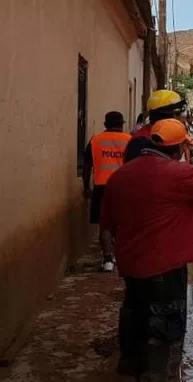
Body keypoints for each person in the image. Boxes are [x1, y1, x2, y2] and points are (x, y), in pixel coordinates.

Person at [102, 119, 193, 379]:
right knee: (164, 329)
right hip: (165, 268)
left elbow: (110, 222)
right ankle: (158, 375)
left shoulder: (121, 175)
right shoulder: (175, 174)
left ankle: (131, 366)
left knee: (134, 314)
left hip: (132, 265)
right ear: (179, 148)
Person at [83, 111, 131, 272]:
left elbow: (87, 166)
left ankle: (107, 260)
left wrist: (86, 187)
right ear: (122, 124)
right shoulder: (129, 141)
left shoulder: (95, 141)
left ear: (105, 124)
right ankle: (121, 255)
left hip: (101, 187)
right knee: (122, 223)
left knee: (104, 225)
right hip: (123, 187)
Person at [125, 90, 192, 163]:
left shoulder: (169, 135)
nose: (181, 119)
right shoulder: (141, 141)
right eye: (178, 114)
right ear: (171, 116)